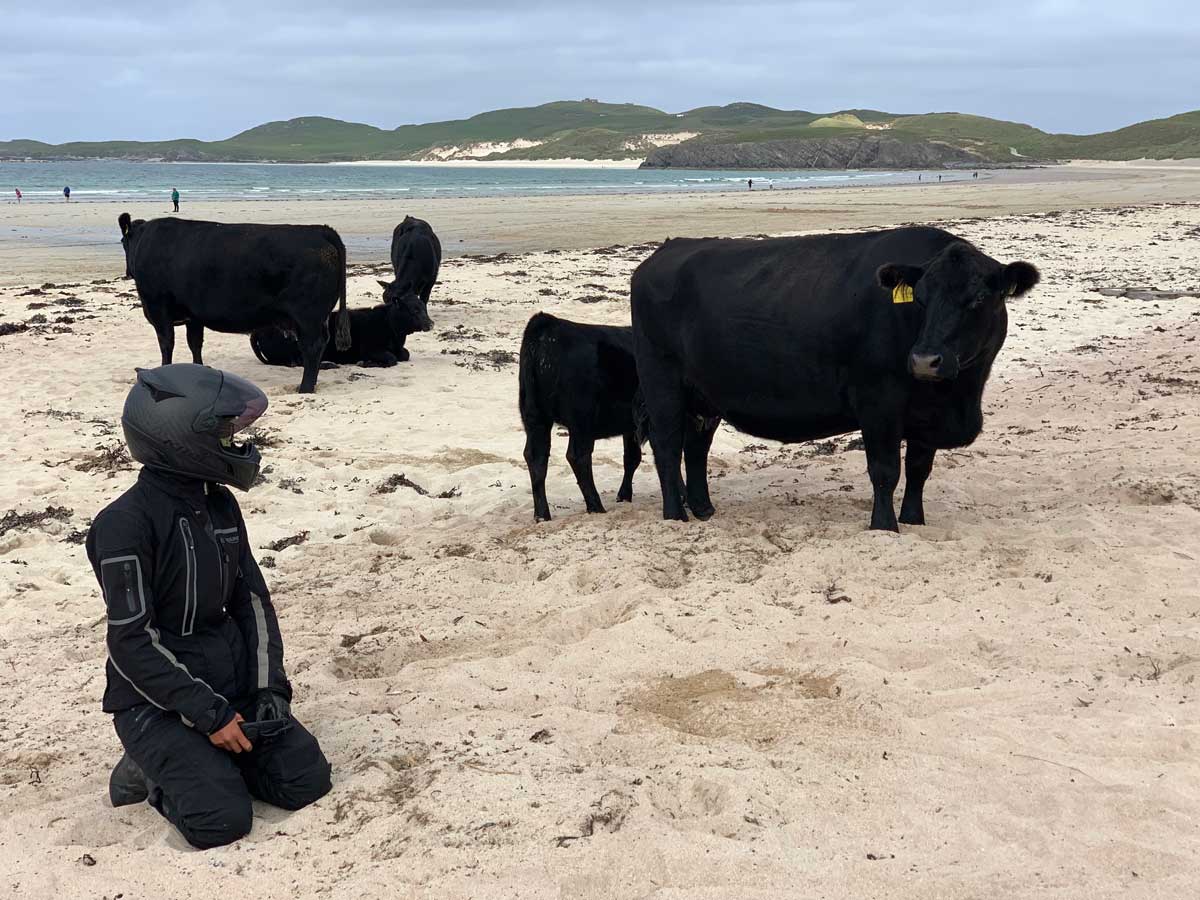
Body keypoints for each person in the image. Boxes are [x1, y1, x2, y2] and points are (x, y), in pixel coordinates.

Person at [87, 364, 332, 850]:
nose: (234, 443)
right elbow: (131, 642)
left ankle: (207, 757)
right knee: (220, 821)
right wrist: (209, 716)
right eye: (222, 433)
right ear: (176, 437)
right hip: (153, 705)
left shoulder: (220, 506)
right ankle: (145, 769)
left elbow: (253, 602)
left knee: (307, 780)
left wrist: (269, 687)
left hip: (230, 688)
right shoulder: (122, 526)